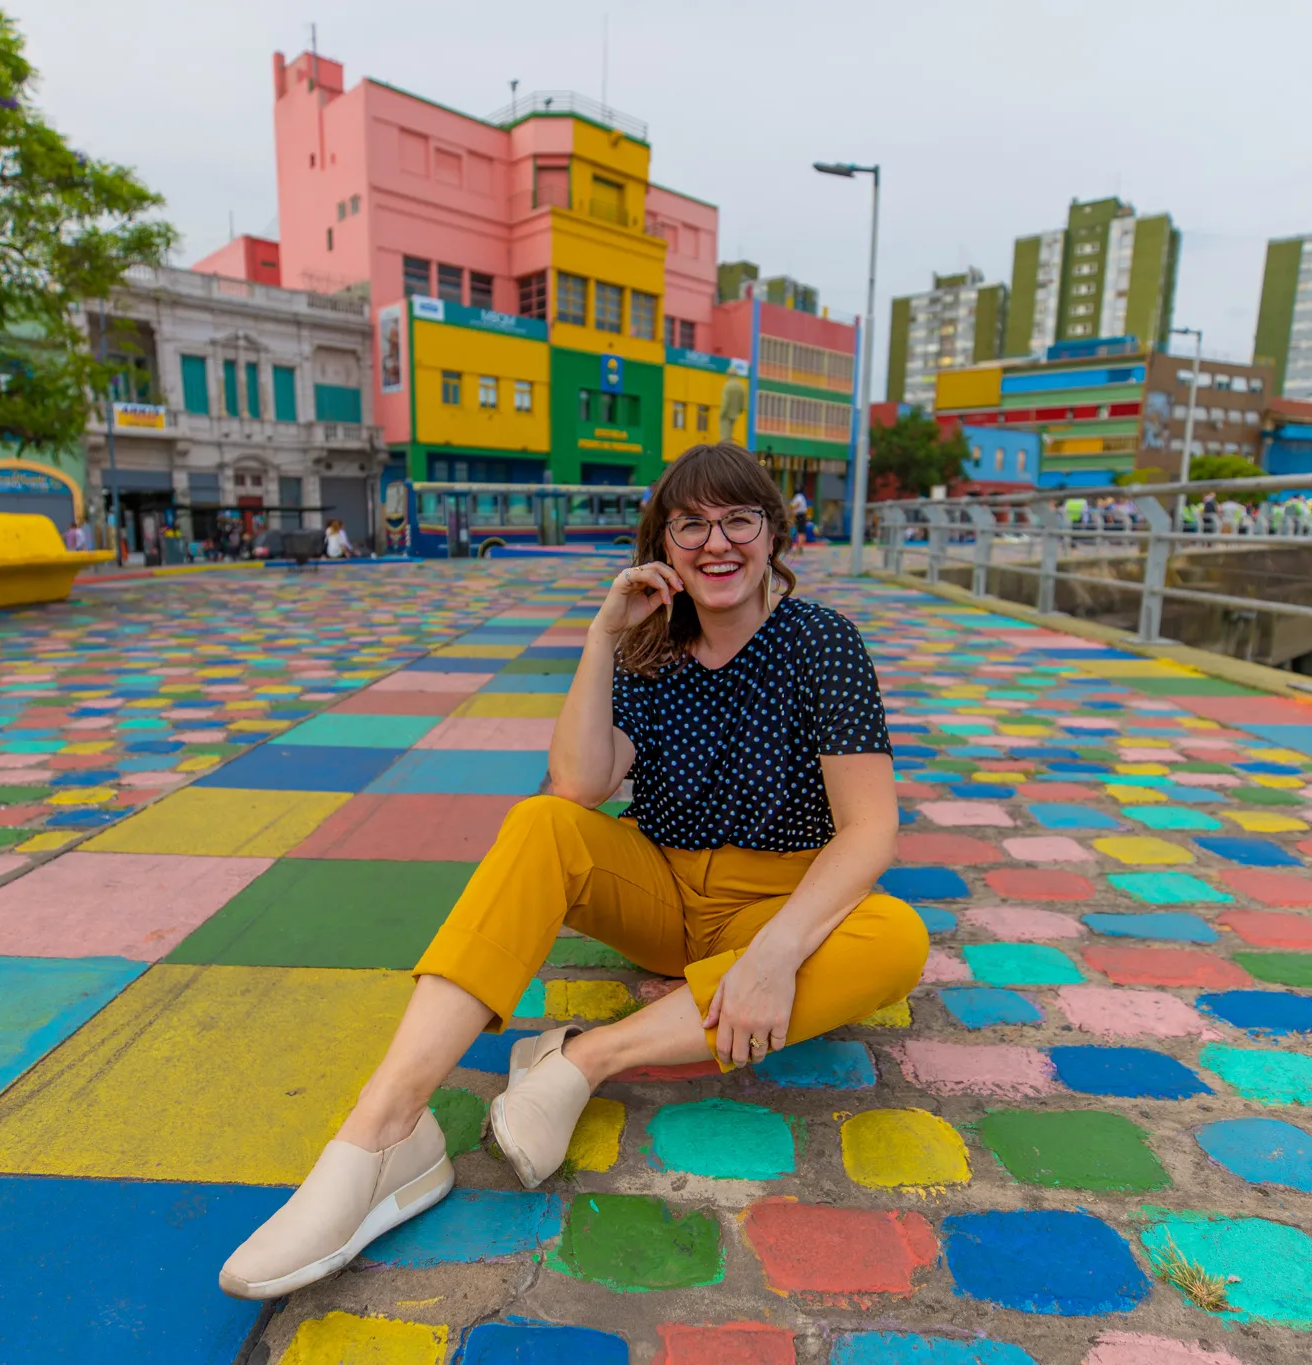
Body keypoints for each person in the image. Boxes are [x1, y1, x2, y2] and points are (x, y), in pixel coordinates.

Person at [218, 442, 927, 1300]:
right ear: (661, 546)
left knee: (895, 938)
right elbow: (583, 784)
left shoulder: (822, 644)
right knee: (542, 823)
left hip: (774, 900)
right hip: (662, 891)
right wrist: (603, 636)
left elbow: (870, 828)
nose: (716, 543)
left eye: (738, 519)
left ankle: (583, 1061)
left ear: (773, 533)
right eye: (690, 524)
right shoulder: (652, 654)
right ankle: (384, 1132)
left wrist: (774, 956)